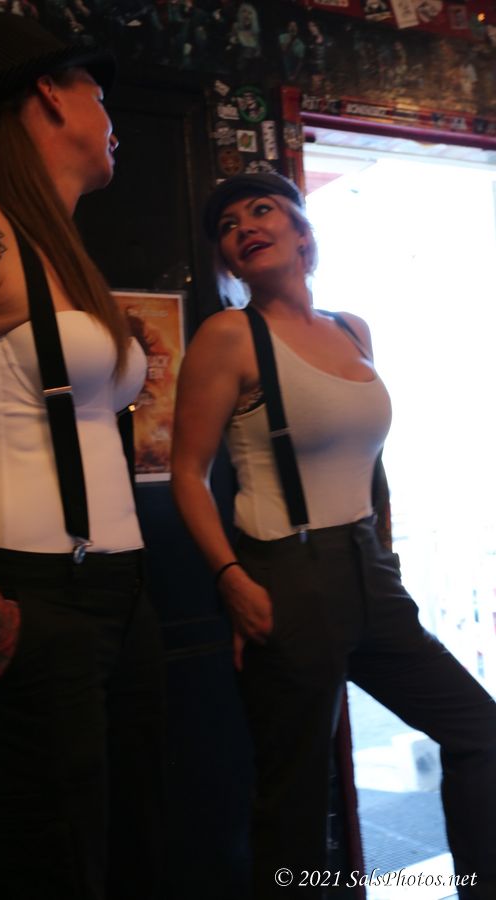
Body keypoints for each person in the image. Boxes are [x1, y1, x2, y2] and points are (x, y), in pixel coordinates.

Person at [0, 13, 163, 900]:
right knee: (49, 870)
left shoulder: (64, 250)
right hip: (31, 599)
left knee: (129, 852)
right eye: (98, 91)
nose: (111, 116)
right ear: (50, 93)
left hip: (123, 596)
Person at [170, 172, 496, 898]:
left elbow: (369, 461)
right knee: (294, 795)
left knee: (479, 731)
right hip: (287, 576)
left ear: (303, 234)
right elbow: (186, 472)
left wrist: (384, 550)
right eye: (228, 225)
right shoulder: (230, 336)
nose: (244, 227)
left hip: (368, 569)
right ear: (227, 256)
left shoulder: (353, 329)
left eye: (262, 210)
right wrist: (231, 578)